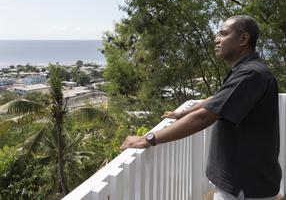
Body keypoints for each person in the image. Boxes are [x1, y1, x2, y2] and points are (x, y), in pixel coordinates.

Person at [120, 15, 281, 199]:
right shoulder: (249, 70)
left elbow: (205, 116)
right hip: (244, 181)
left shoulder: (251, 74)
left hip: (244, 186)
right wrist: (181, 114)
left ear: (243, 39)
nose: (216, 39)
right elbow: (218, 99)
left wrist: (147, 139)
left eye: (223, 34)